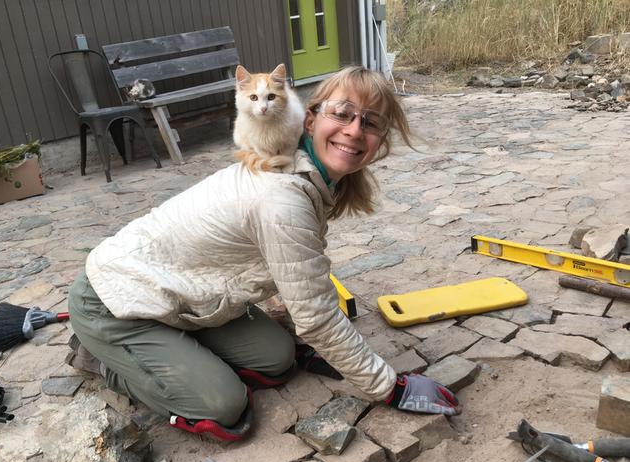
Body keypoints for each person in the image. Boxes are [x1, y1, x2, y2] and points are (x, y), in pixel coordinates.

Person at [66, 66, 461, 441]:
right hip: (114, 298)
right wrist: (390, 388)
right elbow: (317, 317)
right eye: (342, 114)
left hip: (180, 294)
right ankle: (104, 359)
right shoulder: (282, 199)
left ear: (380, 139)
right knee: (223, 404)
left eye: (371, 122)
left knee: (278, 358)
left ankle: (177, 349)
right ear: (310, 120)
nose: (355, 131)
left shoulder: (312, 176)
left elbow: (294, 280)